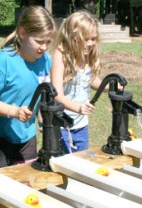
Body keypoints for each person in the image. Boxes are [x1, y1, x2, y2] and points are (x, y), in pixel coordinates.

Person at [0, 6, 56, 168]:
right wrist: (13, 111)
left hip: (26, 135)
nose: (43, 47)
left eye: (48, 42)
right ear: (22, 33)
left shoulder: (45, 60)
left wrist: (42, 114)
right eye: (39, 41)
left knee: (26, 181)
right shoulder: (4, 61)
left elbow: (42, 90)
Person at [50, 10, 105, 154]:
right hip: (62, 125)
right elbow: (56, 94)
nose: (91, 43)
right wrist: (78, 108)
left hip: (81, 125)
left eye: (94, 39)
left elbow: (90, 79)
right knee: (63, 165)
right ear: (73, 37)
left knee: (81, 162)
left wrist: (109, 86)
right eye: (87, 39)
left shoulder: (85, 54)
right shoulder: (60, 55)